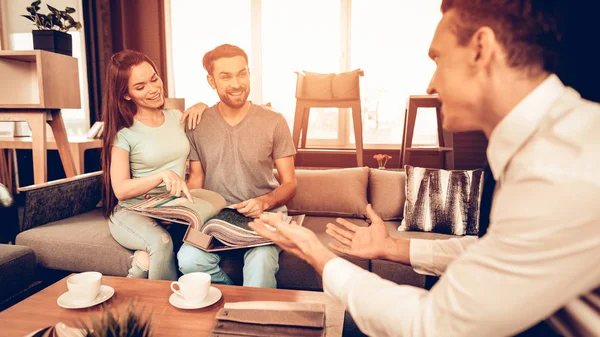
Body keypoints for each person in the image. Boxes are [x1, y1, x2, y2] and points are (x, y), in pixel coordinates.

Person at [248, 1, 600, 336]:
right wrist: (393, 248)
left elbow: (433, 326)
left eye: (438, 59)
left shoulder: (561, 168)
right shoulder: (552, 147)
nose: (431, 84)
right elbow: (498, 252)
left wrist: (316, 252)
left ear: (481, 48)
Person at [177, 44, 298, 288]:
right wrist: (176, 201)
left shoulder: (274, 122)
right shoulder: (196, 124)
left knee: (261, 262)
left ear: (249, 73)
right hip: (217, 217)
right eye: (226, 76)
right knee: (188, 260)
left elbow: (290, 183)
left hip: (265, 215)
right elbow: (196, 181)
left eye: (242, 73)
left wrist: (265, 201)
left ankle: (250, 318)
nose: (236, 83)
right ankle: (235, 299)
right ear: (211, 81)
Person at [100, 49, 205, 280]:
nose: (153, 89)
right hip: (132, 212)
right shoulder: (123, 133)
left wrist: (202, 105)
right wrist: (161, 176)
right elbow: (121, 189)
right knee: (162, 243)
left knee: (198, 243)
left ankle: (136, 280)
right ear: (126, 94)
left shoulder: (178, 118)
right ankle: (164, 313)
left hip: (171, 210)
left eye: (154, 79)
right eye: (140, 87)